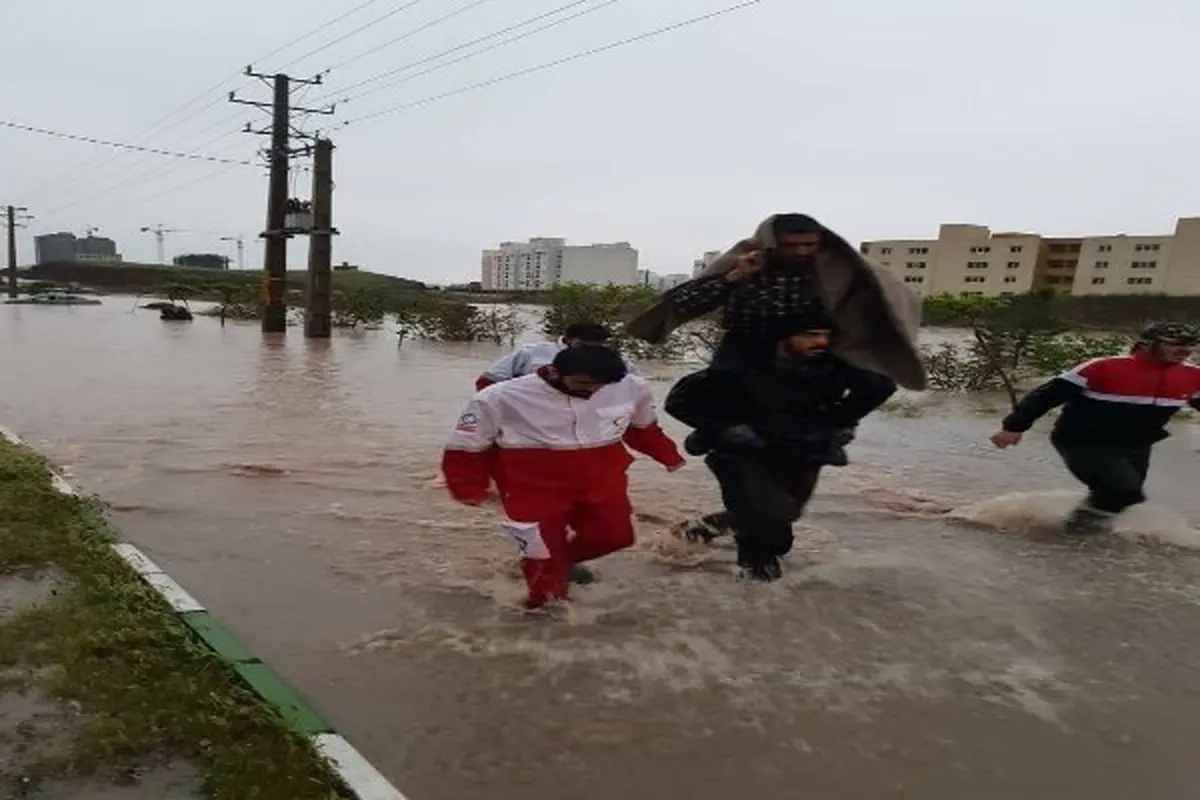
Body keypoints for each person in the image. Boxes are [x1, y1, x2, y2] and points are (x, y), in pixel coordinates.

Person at [443, 345, 685, 609]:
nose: (592, 391)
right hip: (531, 486)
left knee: (617, 537)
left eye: (601, 386)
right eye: (583, 383)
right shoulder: (498, 397)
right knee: (547, 586)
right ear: (555, 371)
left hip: (603, 480)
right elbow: (466, 447)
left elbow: (642, 429)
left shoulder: (632, 387)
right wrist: (468, 488)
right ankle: (542, 624)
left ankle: (551, 562)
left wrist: (669, 456)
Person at [663, 313, 897, 581]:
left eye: (825, 335)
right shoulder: (736, 370)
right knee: (767, 526)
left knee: (786, 514)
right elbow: (678, 402)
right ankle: (754, 593)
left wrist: (841, 420)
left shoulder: (830, 368)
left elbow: (880, 387)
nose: (821, 341)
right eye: (810, 334)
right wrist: (725, 429)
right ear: (783, 337)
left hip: (803, 450)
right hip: (743, 453)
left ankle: (707, 528)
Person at [625, 213, 927, 391]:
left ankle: (838, 432)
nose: (800, 252)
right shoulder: (744, 260)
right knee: (718, 383)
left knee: (877, 385)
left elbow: (887, 295)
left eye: (808, 245)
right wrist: (735, 276)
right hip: (748, 341)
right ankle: (712, 433)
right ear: (773, 242)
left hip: (811, 342)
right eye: (791, 245)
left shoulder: (838, 266)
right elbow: (683, 302)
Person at [989, 321, 1200, 536]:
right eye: (1175, 344)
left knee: (1123, 496)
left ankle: (1081, 534)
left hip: (1135, 446)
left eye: (1191, 344)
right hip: (1082, 441)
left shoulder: (1192, 376)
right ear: (1147, 344)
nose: (1184, 350)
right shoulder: (1104, 366)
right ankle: (1075, 536)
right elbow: (1047, 395)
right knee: (1123, 489)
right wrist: (1013, 428)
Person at [474, 321, 636, 391]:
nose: (591, 352)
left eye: (598, 347)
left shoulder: (615, 360)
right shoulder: (531, 353)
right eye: (584, 346)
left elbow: (634, 388)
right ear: (570, 339)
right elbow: (487, 382)